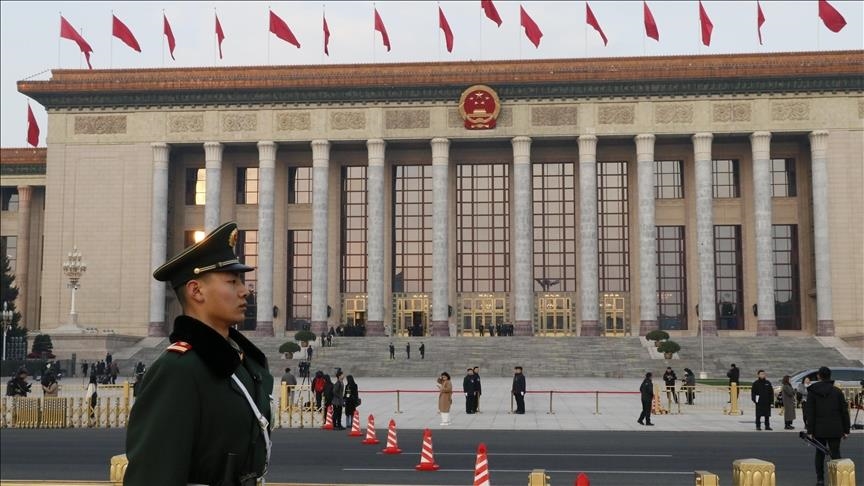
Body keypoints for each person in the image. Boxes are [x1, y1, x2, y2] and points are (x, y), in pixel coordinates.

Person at [124, 222, 274, 486]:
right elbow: (154, 474)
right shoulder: (178, 370)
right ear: (196, 291)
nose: (245, 291)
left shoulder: (239, 364)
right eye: (232, 282)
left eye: (241, 281)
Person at [806, 366, 851, 486]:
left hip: (818, 428)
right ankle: (838, 479)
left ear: (818, 376)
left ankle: (820, 479)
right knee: (835, 453)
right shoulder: (837, 391)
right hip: (835, 427)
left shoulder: (812, 391)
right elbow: (844, 411)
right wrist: (846, 429)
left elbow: (810, 413)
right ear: (830, 376)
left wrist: (810, 430)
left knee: (819, 454)